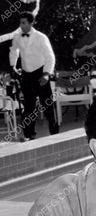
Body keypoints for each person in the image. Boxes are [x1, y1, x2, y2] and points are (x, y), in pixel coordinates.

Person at [9, 11, 59, 140]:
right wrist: (12, 65)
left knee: (47, 105)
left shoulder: (41, 37)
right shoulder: (17, 37)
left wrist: (47, 74)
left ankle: (54, 132)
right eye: (20, 22)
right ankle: (29, 135)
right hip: (26, 74)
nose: (21, 25)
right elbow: (14, 50)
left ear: (31, 23)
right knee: (29, 106)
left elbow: (50, 56)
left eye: (24, 22)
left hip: (41, 72)